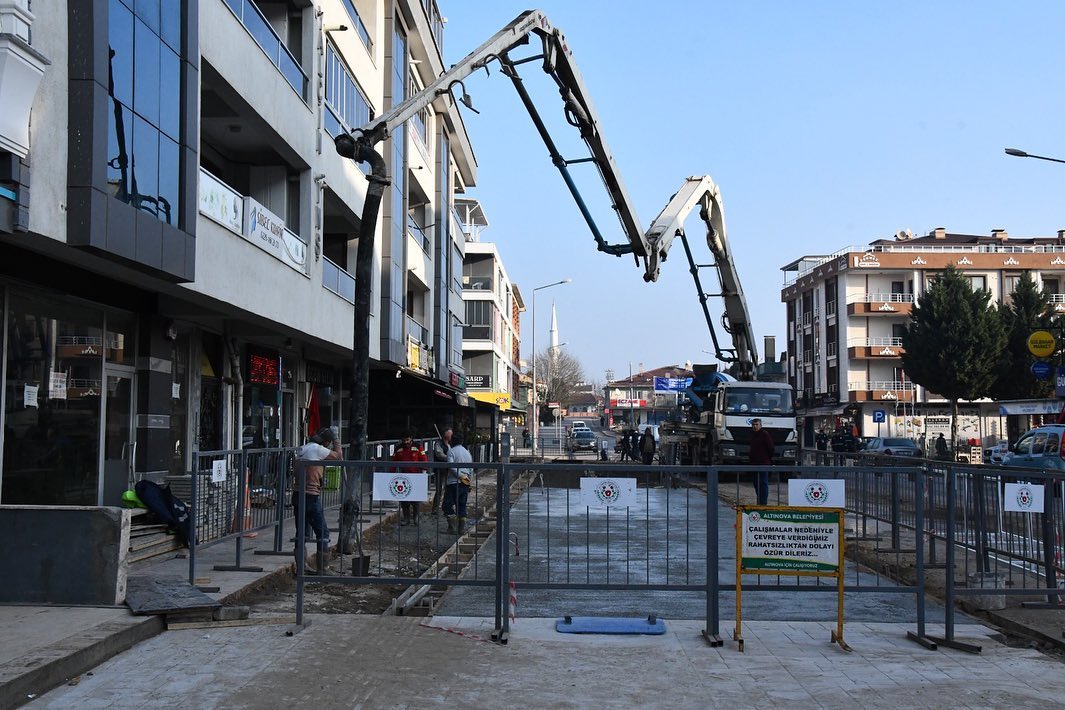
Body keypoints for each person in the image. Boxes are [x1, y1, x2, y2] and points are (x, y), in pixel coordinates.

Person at [295, 427, 341, 567]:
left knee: (301, 532)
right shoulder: (318, 450)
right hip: (310, 495)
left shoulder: (302, 449)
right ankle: (323, 568)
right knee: (323, 533)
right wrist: (337, 439)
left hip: (297, 495)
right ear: (326, 443)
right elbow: (338, 456)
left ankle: (301, 568)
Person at [391, 433, 428, 526]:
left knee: (415, 499)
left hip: (416, 476)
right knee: (404, 499)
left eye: (407, 440)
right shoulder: (398, 448)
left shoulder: (418, 447)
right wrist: (391, 475)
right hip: (403, 477)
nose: (405, 442)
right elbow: (393, 463)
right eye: (404, 440)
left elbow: (423, 460)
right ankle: (406, 518)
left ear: (411, 438)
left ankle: (416, 518)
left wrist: (424, 472)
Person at [444, 433, 473, 534]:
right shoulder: (467, 452)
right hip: (465, 483)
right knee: (462, 505)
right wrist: (469, 481)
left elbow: (451, 466)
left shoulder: (451, 451)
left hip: (453, 482)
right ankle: (461, 529)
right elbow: (471, 468)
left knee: (447, 505)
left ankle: (452, 527)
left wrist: (460, 476)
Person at [748, 418, 775, 505]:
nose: (755, 426)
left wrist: (767, 459)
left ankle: (763, 503)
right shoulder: (752, 435)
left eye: (756, 425)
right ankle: (759, 502)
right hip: (754, 463)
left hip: (763, 463)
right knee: (756, 483)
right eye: (753, 425)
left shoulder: (765, 435)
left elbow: (771, 448)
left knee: (763, 484)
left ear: (760, 425)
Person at [431, 428, 452, 515]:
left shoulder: (448, 444)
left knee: (447, 489)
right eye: (450, 434)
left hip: (447, 470)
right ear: (445, 434)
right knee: (439, 490)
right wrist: (449, 458)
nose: (451, 436)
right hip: (440, 470)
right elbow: (439, 455)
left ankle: (445, 507)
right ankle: (435, 508)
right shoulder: (438, 443)